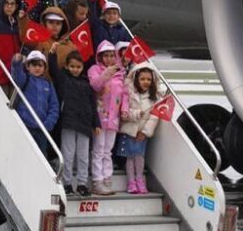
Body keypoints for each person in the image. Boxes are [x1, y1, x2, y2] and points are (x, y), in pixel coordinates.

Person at [50, 50, 99, 196]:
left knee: (83, 155)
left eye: (78, 67)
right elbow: (53, 68)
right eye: (72, 66)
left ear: (83, 67)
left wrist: (96, 124)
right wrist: (52, 54)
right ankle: (67, 183)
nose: (75, 69)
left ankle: (82, 183)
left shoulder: (87, 83)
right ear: (66, 66)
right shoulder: (63, 79)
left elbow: (93, 104)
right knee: (68, 153)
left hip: (84, 122)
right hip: (68, 121)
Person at [118, 65, 166, 194]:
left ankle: (140, 179)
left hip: (141, 133)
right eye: (142, 79)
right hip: (130, 130)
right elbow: (125, 112)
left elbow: (154, 118)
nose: (146, 82)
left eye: (149, 79)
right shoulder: (130, 94)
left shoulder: (154, 98)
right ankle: (131, 181)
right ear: (136, 80)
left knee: (139, 157)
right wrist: (136, 114)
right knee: (130, 157)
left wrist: (145, 132)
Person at [88, 41, 127, 195]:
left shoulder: (121, 72)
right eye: (106, 55)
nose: (109, 59)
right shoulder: (94, 70)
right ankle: (97, 180)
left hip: (114, 118)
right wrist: (106, 74)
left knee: (108, 149)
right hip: (99, 117)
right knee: (98, 149)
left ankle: (107, 177)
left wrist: (124, 109)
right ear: (100, 56)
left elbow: (124, 94)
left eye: (112, 55)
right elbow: (95, 85)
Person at [10, 50, 59, 156]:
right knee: (22, 155)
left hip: (42, 130)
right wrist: (16, 63)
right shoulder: (25, 79)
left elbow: (54, 107)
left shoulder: (49, 85)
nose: (37, 68)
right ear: (27, 66)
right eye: (34, 64)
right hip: (25, 126)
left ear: (44, 68)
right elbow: (16, 77)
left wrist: (48, 124)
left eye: (40, 65)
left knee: (41, 157)